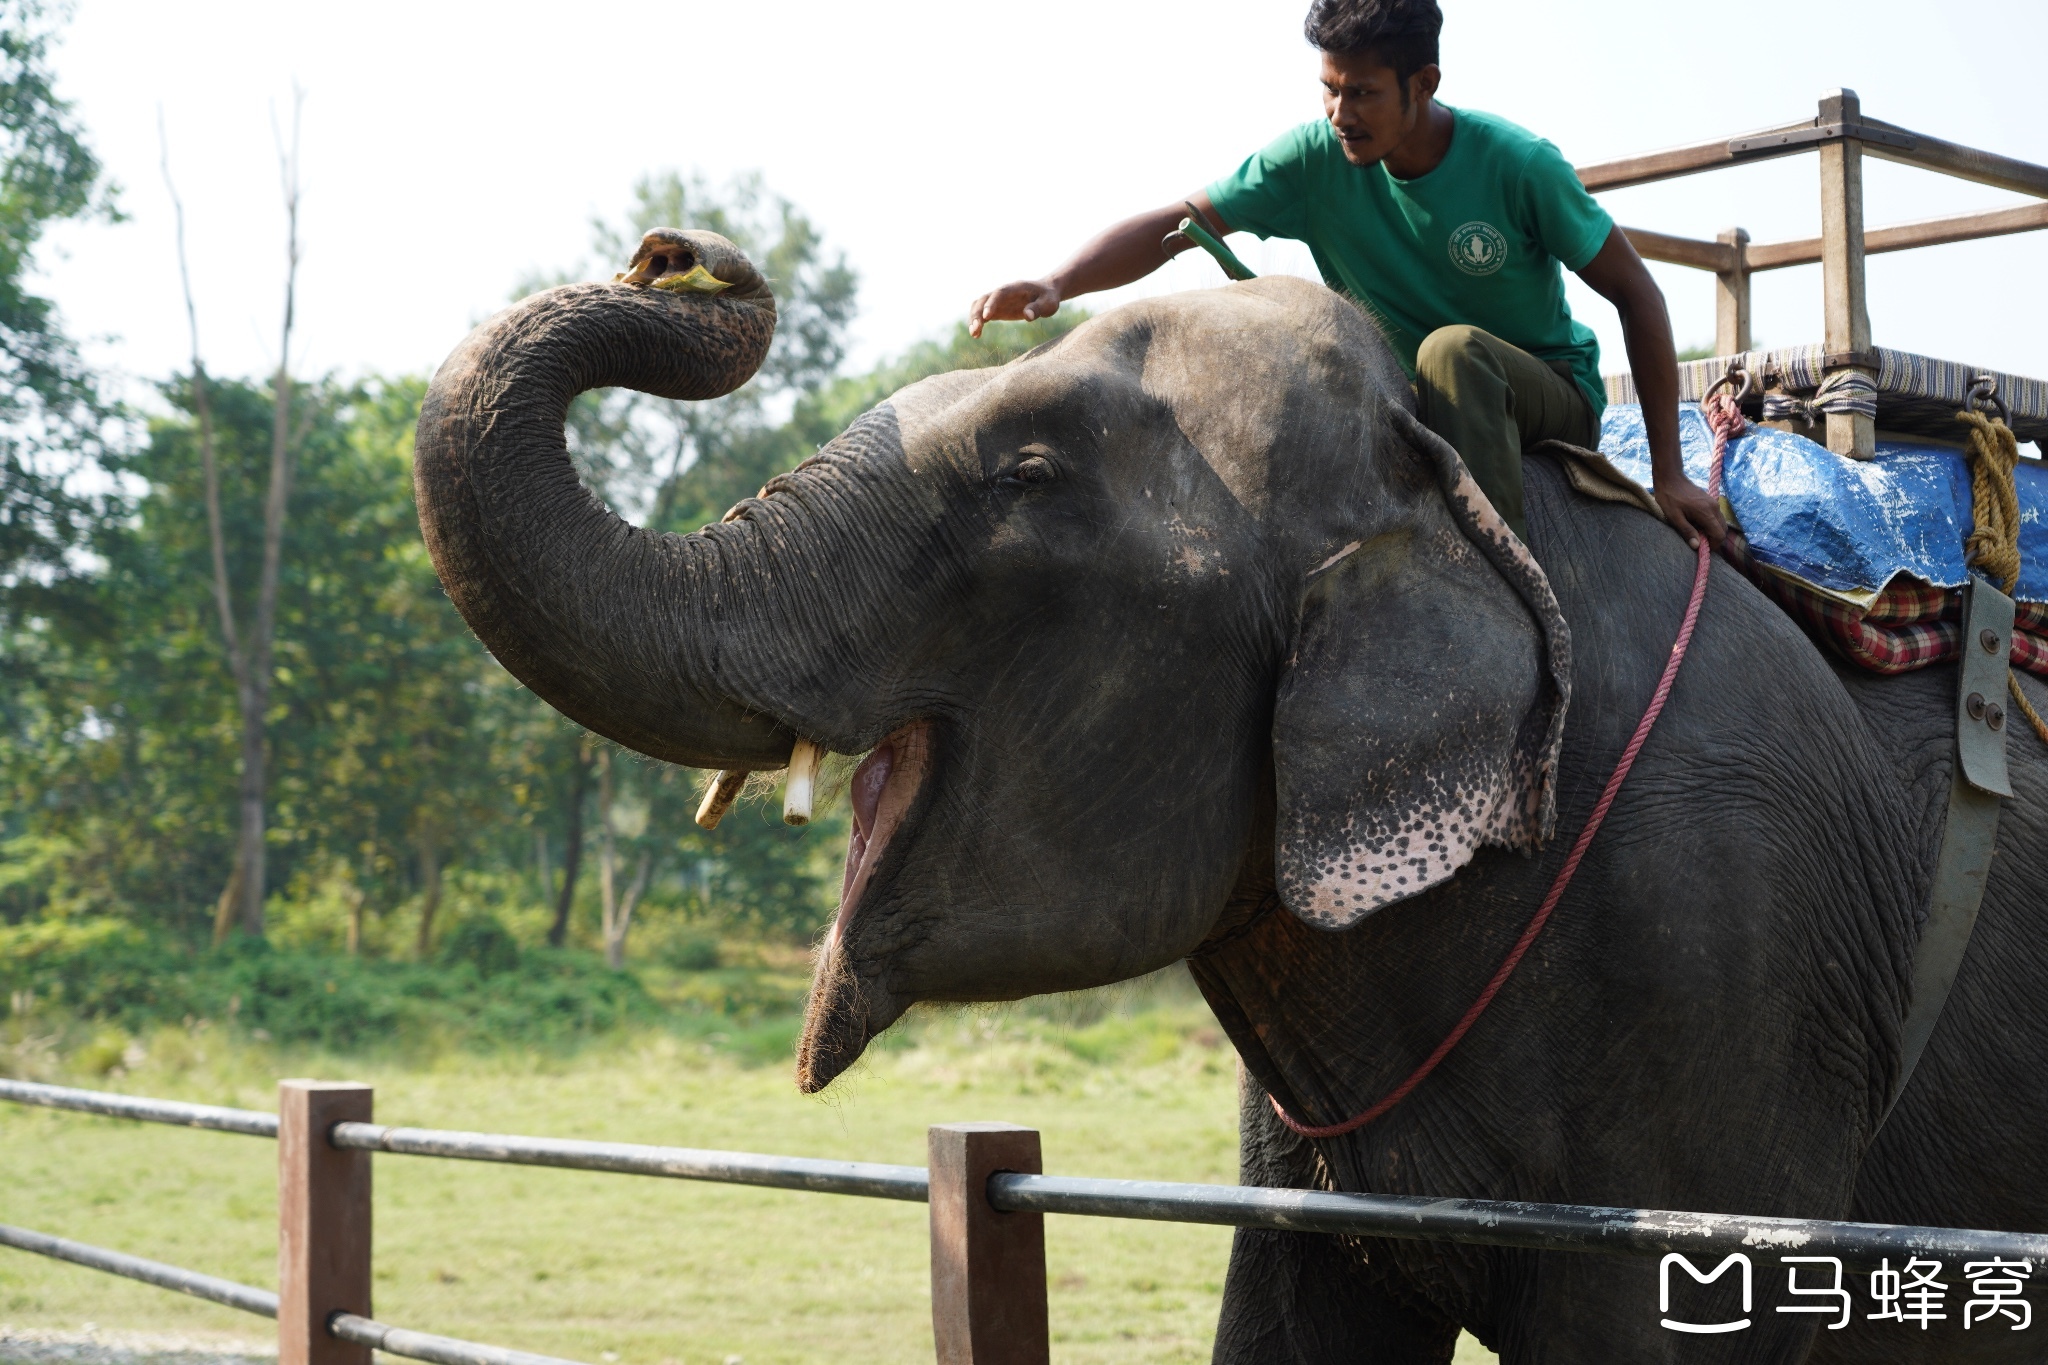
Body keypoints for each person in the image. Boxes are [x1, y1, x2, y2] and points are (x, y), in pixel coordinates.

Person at [968, 0, 1724, 550]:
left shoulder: (1517, 165)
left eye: (1361, 92)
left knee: (1453, 351)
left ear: (1422, 83)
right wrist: (1059, 282)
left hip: (1539, 396)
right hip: (1405, 403)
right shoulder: (1312, 161)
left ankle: (1500, 580)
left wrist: (1671, 473)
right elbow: (1179, 224)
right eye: (1328, 88)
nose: (1339, 112)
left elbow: (1637, 292)